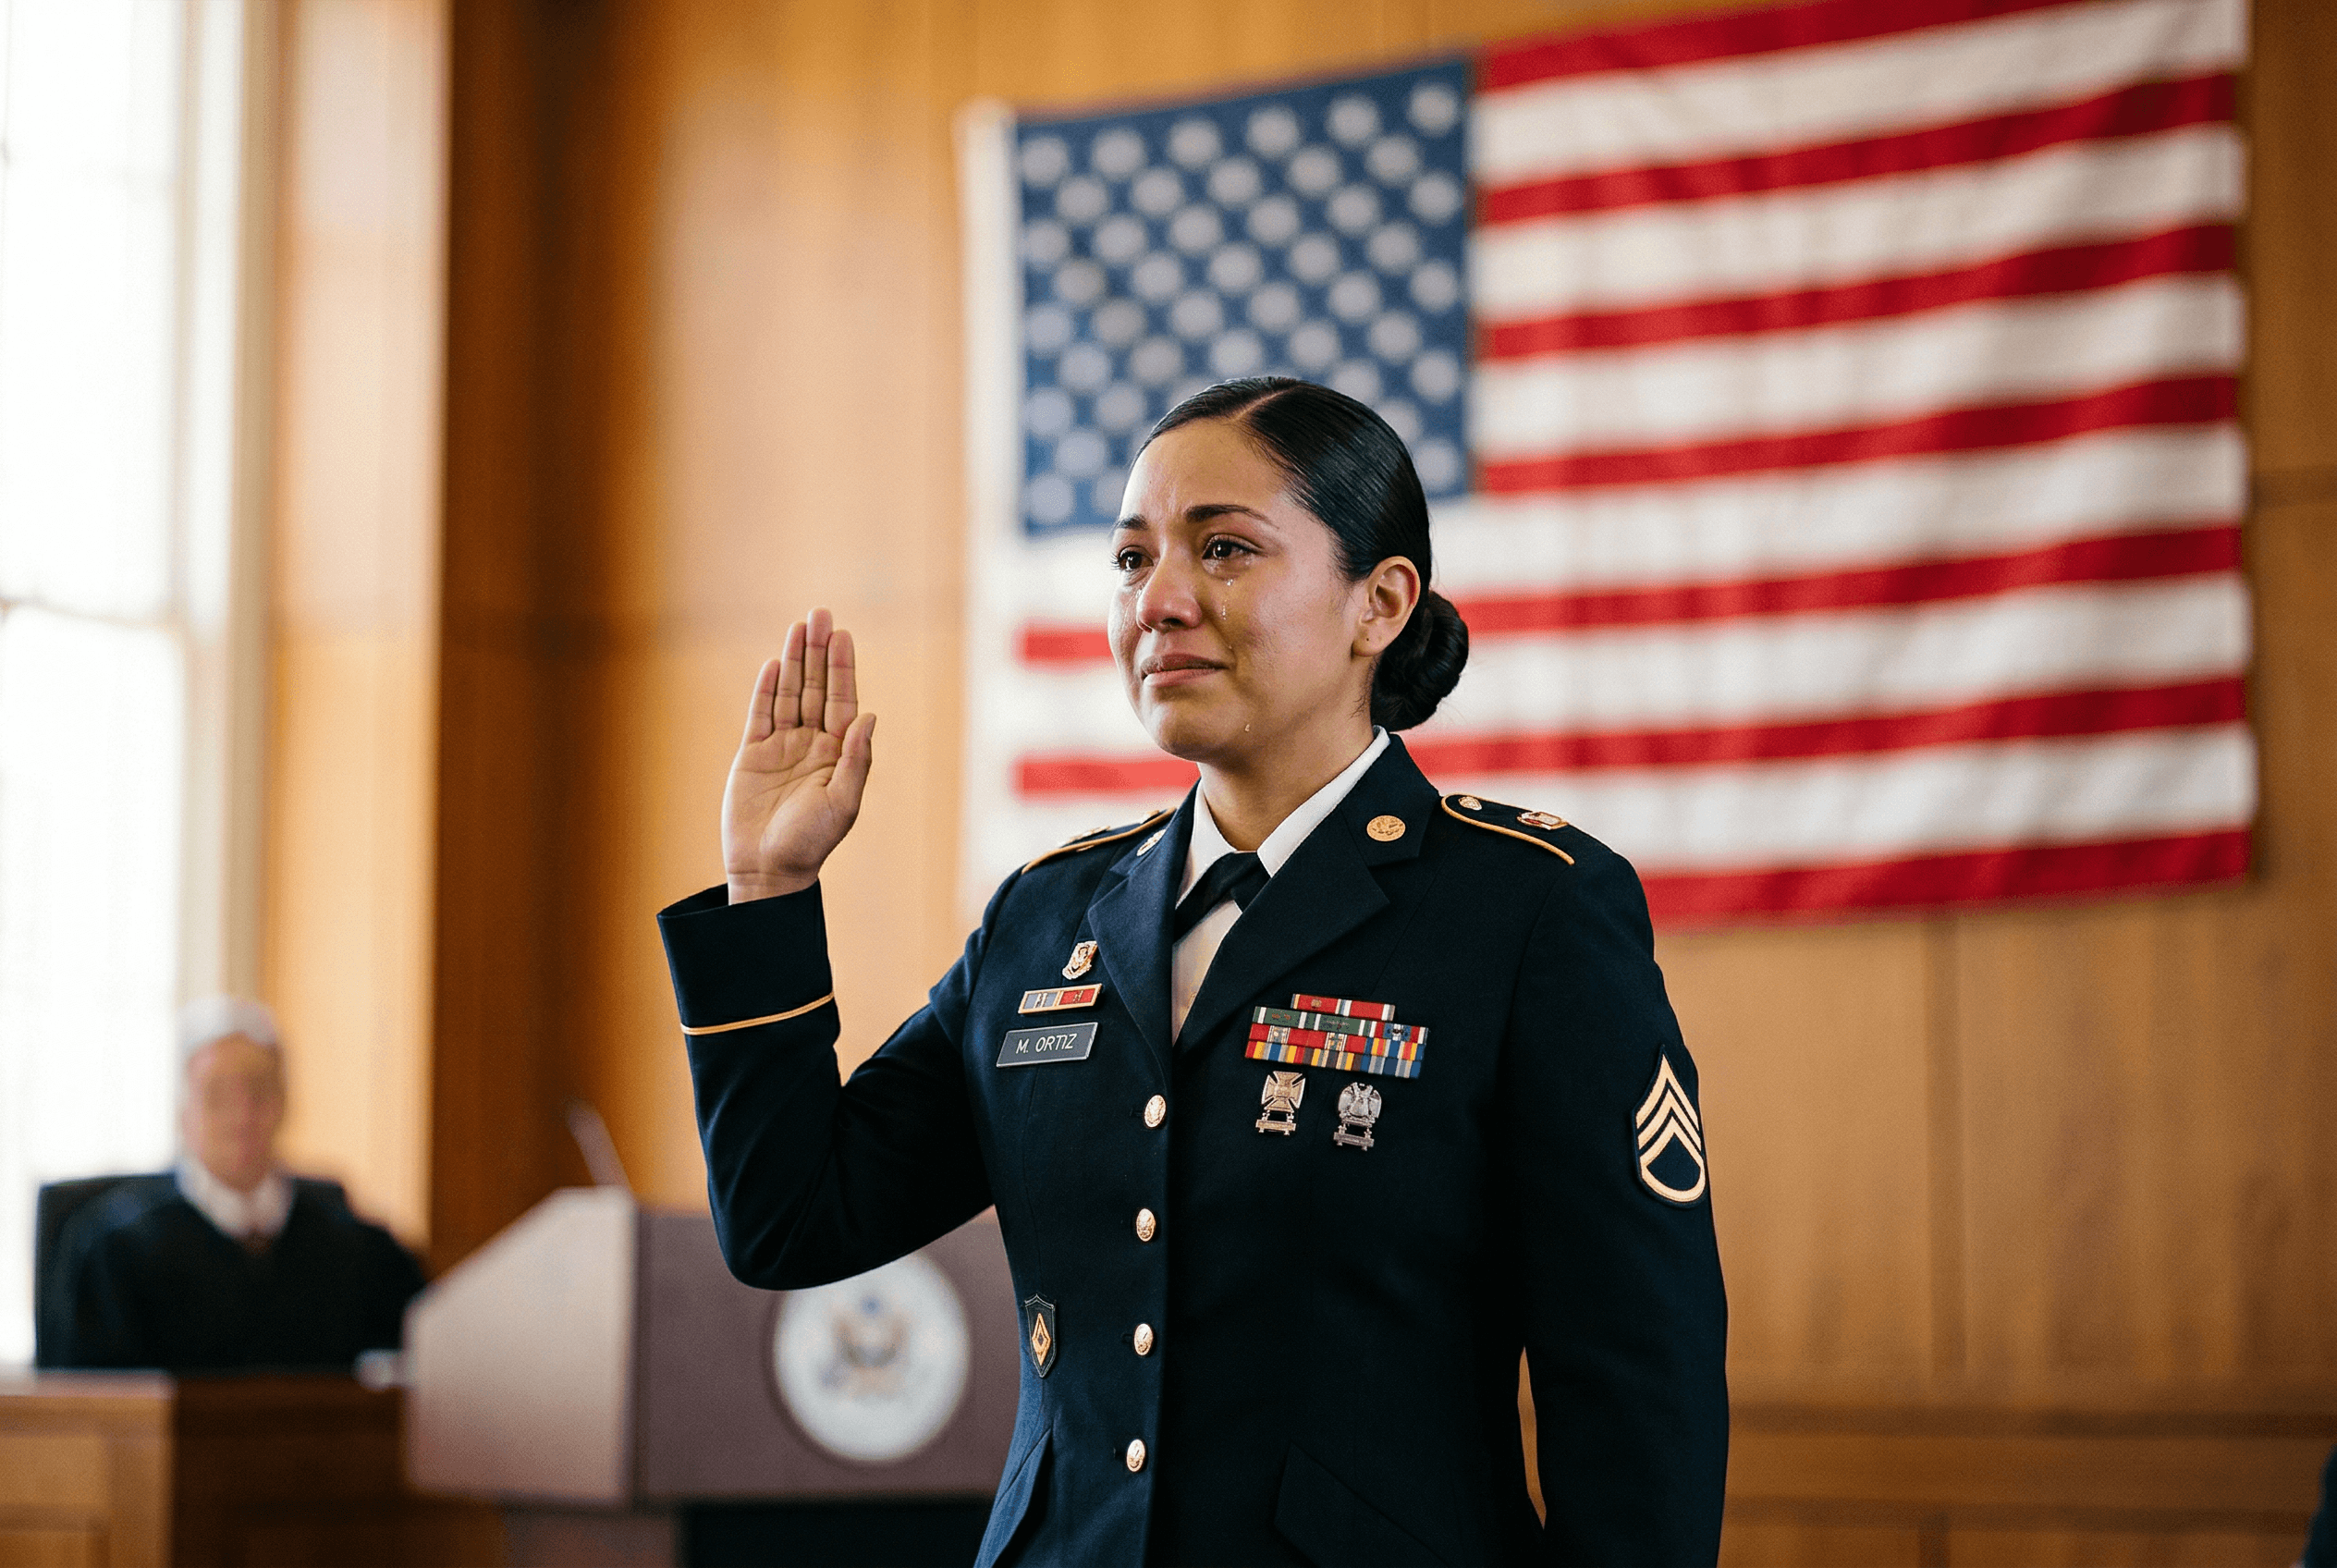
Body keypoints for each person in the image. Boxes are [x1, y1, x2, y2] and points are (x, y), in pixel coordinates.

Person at [658, 378, 1728, 1565]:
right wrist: (767, 889)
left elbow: (1636, 1389)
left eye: (1223, 549)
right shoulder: (1045, 914)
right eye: (1130, 560)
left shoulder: (1523, 909)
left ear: (1379, 602)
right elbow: (792, 1219)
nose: (1157, 601)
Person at [49, 998, 424, 1372]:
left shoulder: (356, 1247)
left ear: (285, 1103)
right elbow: (89, 1409)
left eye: (259, 1090)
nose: (242, 1115)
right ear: (183, 1113)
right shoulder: (115, 1251)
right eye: (217, 1095)